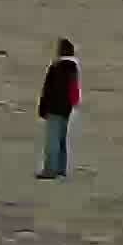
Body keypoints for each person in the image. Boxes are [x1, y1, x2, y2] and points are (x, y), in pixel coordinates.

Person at [36, 39, 81, 179]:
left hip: (53, 108)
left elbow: (47, 90)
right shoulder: (72, 68)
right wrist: (72, 104)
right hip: (65, 109)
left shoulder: (56, 67)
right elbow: (74, 90)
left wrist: (42, 108)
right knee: (61, 139)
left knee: (52, 141)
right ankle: (61, 168)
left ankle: (50, 169)